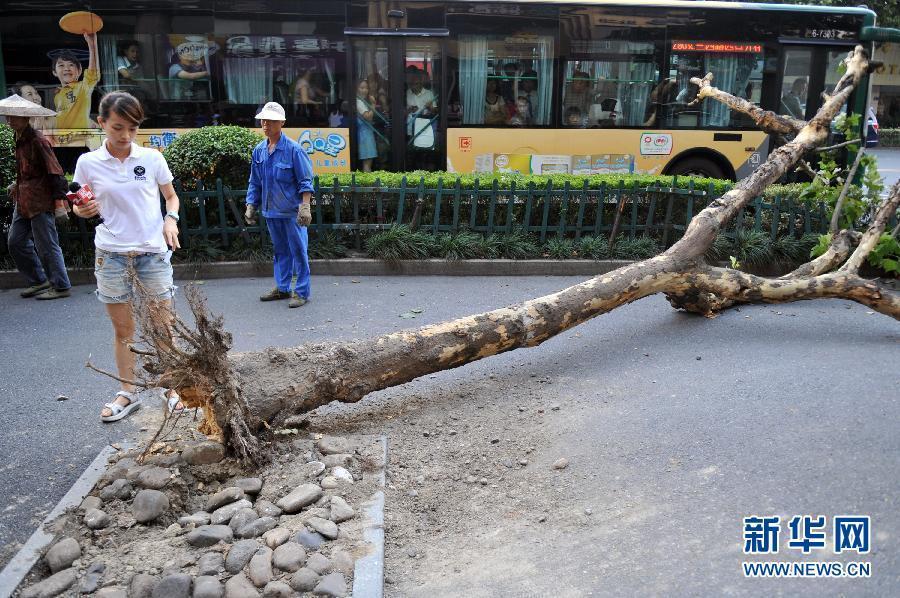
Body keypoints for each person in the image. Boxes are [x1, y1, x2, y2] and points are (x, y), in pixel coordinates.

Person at [70, 91, 184, 422]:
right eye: (118, 127)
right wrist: (82, 209)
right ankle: (128, 392)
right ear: (101, 123)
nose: (125, 136)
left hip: (152, 253)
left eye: (132, 128)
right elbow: (81, 204)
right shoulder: (88, 163)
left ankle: (171, 389)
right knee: (124, 331)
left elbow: (171, 197)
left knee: (164, 327)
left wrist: (170, 219)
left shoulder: (151, 158)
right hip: (111, 255)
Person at [0, 93, 71, 300]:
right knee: (15, 242)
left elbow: (55, 172)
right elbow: (26, 169)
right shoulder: (18, 138)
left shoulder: (38, 141)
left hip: (40, 200)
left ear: (26, 118)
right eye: (8, 116)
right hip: (23, 199)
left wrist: (59, 203)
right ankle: (39, 280)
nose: (9, 120)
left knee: (47, 245)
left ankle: (61, 286)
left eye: (14, 116)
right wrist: (17, 183)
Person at [244, 102, 314, 308]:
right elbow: (254, 181)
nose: (266, 124)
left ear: (282, 122)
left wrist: (305, 206)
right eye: (263, 120)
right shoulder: (259, 151)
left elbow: (305, 181)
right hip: (271, 212)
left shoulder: (294, 150)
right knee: (280, 251)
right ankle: (283, 288)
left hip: (292, 213)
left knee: (299, 251)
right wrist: (251, 204)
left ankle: (302, 292)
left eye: (271, 121)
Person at [52, 33, 100, 129]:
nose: (66, 68)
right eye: (61, 65)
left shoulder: (83, 87)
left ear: (79, 71)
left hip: (80, 140)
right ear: (54, 72)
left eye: (71, 65)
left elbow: (92, 73)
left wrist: (92, 45)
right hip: (61, 141)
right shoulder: (57, 95)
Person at [355, 80, 378, 172]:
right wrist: (373, 104)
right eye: (362, 88)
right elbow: (367, 117)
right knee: (367, 161)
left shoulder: (362, 101)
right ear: (356, 89)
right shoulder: (358, 102)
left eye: (367, 88)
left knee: (368, 161)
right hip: (365, 134)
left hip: (366, 133)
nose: (365, 90)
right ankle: (367, 185)